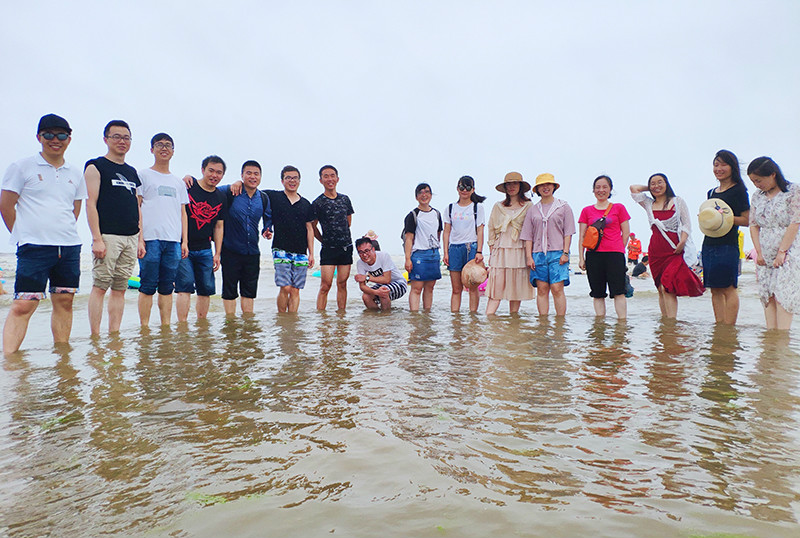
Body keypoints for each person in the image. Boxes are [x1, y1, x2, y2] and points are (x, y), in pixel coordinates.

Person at [0, 114, 87, 354]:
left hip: (69, 247)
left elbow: (74, 209)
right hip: (34, 247)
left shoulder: (75, 172)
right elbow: (6, 205)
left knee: (65, 302)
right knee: (23, 305)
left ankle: (62, 356)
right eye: (49, 134)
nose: (55, 139)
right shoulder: (21, 167)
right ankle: (10, 362)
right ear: (39, 137)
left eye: (61, 135)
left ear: (69, 138)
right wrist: (22, 235)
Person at [85, 120, 142, 335]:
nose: (122, 141)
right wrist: (96, 238)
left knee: (120, 289)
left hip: (130, 237)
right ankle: (95, 335)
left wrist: (140, 238)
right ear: (106, 139)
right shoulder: (96, 166)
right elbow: (91, 203)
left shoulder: (132, 172)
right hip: (107, 236)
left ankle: (114, 334)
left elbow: (137, 207)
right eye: (116, 136)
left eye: (126, 137)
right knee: (100, 287)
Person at [630, 173, 704, 319]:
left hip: (675, 250)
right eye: (653, 183)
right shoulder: (649, 204)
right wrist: (650, 188)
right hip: (656, 250)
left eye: (660, 182)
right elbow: (633, 189)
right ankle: (665, 322)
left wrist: (682, 242)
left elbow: (687, 225)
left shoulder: (677, 202)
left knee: (668, 287)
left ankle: (671, 322)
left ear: (667, 183)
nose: (656, 186)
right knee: (659, 288)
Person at [136, 133, 188, 327]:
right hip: (150, 239)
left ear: (173, 151)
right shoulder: (143, 175)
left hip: (173, 241)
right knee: (147, 285)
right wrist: (139, 239)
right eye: (159, 145)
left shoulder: (178, 182)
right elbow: (137, 207)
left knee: (167, 287)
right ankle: (145, 327)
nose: (164, 148)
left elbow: (183, 213)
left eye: (168, 145)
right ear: (152, 149)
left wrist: (185, 241)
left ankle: (165, 326)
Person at [747, 157, 800, 330]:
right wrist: (759, 252)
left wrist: (782, 252)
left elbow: (795, 222)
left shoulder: (792, 191)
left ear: (772, 174)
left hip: (789, 249)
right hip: (765, 251)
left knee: (783, 295)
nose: (756, 185)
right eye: (753, 181)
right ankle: (771, 341)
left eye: (759, 180)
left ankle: (782, 341)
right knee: (767, 294)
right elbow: (753, 224)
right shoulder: (757, 196)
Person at [176, 156, 227, 321]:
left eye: (219, 172)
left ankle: (201, 324)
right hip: (183, 246)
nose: (214, 175)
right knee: (185, 286)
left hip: (205, 248)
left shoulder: (221, 197)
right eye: (211, 170)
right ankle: (182, 325)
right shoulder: (188, 186)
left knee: (206, 288)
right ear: (203, 170)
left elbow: (219, 226)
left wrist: (217, 253)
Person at [702, 149, 750, 325]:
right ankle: (719, 326)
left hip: (728, 244)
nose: (719, 168)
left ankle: (729, 327)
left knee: (729, 287)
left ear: (732, 167)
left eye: (723, 164)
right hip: (709, 243)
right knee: (714, 288)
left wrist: (723, 218)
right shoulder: (711, 193)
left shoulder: (739, 191)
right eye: (716, 165)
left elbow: (747, 220)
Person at [219, 161, 272, 316]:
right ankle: (230, 324)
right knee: (229, 290)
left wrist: (267, 229)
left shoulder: (263, 198)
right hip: (230, 249)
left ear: (260, 177)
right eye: (248, 173)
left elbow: (268, 217)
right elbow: (209, 190)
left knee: (249, 291)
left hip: (252, 252)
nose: (252, 177)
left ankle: (247, 327)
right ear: (242, 175)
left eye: (256, 173)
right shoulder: (231, 191)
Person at [520, 173, 575, 316]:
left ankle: (560, 323)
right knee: (542, 288)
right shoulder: (532, 210)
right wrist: (528, 257)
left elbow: (568, 232)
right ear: (537, 189)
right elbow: (528, 235)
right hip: (538, 253)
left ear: (554, 186)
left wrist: (565, 252)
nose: (545, 188)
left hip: (557, 252)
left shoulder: (563, 207)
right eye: (542, 186)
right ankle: (543, 323)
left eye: (548, 184)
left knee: (557, 288)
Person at [578, 175, 631, 319]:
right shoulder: (586, 211)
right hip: (593, 255)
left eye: (604, 187)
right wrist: (581, 258)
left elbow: (625, 232)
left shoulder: (619, 208)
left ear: (610, 189)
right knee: (597, 293)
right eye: (597, 187)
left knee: (618, 291)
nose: (601, 190)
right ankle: (600, 326)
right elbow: (582, 236)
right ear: (593, 190)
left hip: (615, 255)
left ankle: (622, 324)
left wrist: (619, 248)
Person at [266, 166, 315, 313]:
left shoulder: (306, 204)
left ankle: (291, 320)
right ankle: (282, 317)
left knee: (295, 290)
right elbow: (253, 191)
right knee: (285, 286)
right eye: (288, 178)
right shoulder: (273, 197)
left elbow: (310, 229)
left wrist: (311, 253)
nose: (292, 181)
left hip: (301, 251)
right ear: (282, 181)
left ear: (299, 181)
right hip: (280, 249)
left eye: (295, 178)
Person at [485, 172, 534, 315]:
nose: (512, 187)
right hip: (501, 250)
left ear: (521, 186)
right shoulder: (498, 206)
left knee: (516, 289)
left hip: (520, 250)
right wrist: (492, 248)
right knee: (496, 289)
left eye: (515, 183)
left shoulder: (529, 206)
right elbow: (491, 227)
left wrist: (530, 254)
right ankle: (489, 321)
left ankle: (513, 324)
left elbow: (532, 230)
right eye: (508, 184)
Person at [310, 165, 354, 311]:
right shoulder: (317, 203)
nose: (330, 179)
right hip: (328, 249)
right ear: (321, 180)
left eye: (332, 175)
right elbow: (312, 227)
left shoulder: (345, 199)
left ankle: (341, 315)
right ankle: (321, 317)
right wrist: (323, 240)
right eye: (326, 176)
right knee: (325, 285)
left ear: (337, 178)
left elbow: (348, 222)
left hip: (345, 247)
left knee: (342, 284)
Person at [442, 175, 486, 312]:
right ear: (457, 189)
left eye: (468, 187)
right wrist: (445, 252)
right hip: (454, 248)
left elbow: (480, 230)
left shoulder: (477, 208)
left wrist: (479, 251)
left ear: (473, 190)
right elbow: (446, 232)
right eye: (462, 187)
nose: (464, 190)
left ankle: (473, 319)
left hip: (471, 248)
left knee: (473, 288)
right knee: (456, 289)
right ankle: (456, 321)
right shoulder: (450, 208)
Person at [402, 183, 442, 311]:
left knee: (430, 288)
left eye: (427, 192)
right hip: (419, 254)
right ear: (416, 197)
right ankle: (414, 316)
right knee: (416, 288)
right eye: (420, 192)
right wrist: (408, 259)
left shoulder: (437, 214)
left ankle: (427, 315)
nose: (424, 195)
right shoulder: (413, 215)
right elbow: (409, 238)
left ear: (431, 195)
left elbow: (438, 233)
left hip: (433, 254)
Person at [354, 237, 407, 310]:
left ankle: (386, 316)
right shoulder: (360, 263)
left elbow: (387, 279)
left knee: (383, 291)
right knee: (366, 296)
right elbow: (362, 287)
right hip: (382, 285)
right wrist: (375, 292)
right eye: (361, 252)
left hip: (399, 283)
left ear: (373, 249)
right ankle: (377, 318)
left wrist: (367, 278)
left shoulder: (383, 256)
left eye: (367, 251)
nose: (364, 255)